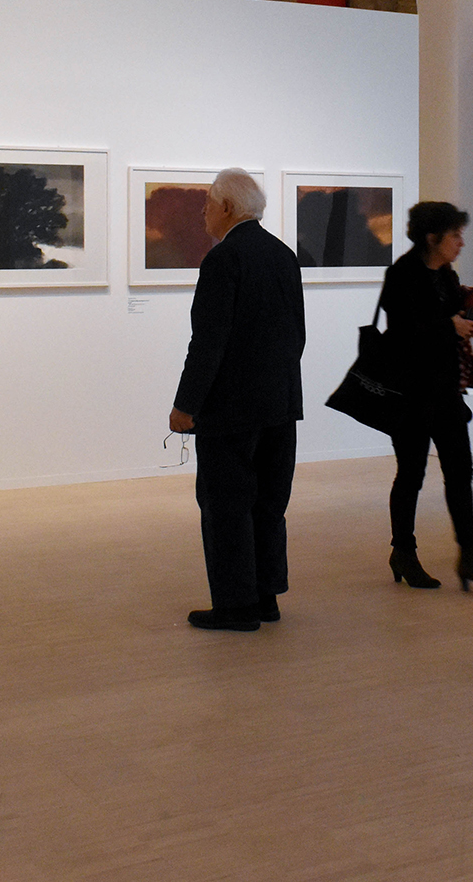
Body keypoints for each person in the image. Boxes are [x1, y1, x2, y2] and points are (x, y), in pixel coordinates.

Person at [169, 168, 306, 631]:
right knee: (268, 504)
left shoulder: (223, 259)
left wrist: (186, 405)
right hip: (279, 405)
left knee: (226, 506)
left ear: (227, 207)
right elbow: (297, 335)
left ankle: (236, 606)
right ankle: (266, 597)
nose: (203, 213)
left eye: (208, 204)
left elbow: (208, 342)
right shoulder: (283, 255)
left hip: (230, 410)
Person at [380, 201, 473, 594]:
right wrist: (448, 325)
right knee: (411, 474)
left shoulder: (446, 275)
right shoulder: (402, 274)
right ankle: (403, 551)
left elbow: (449, 318)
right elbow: (402, 333)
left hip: (446, 392)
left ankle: (470, 556)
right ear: (432, 237)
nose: (461, 243)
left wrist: (469, 318)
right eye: (455, 235)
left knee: (460, 473)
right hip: (411, 394)